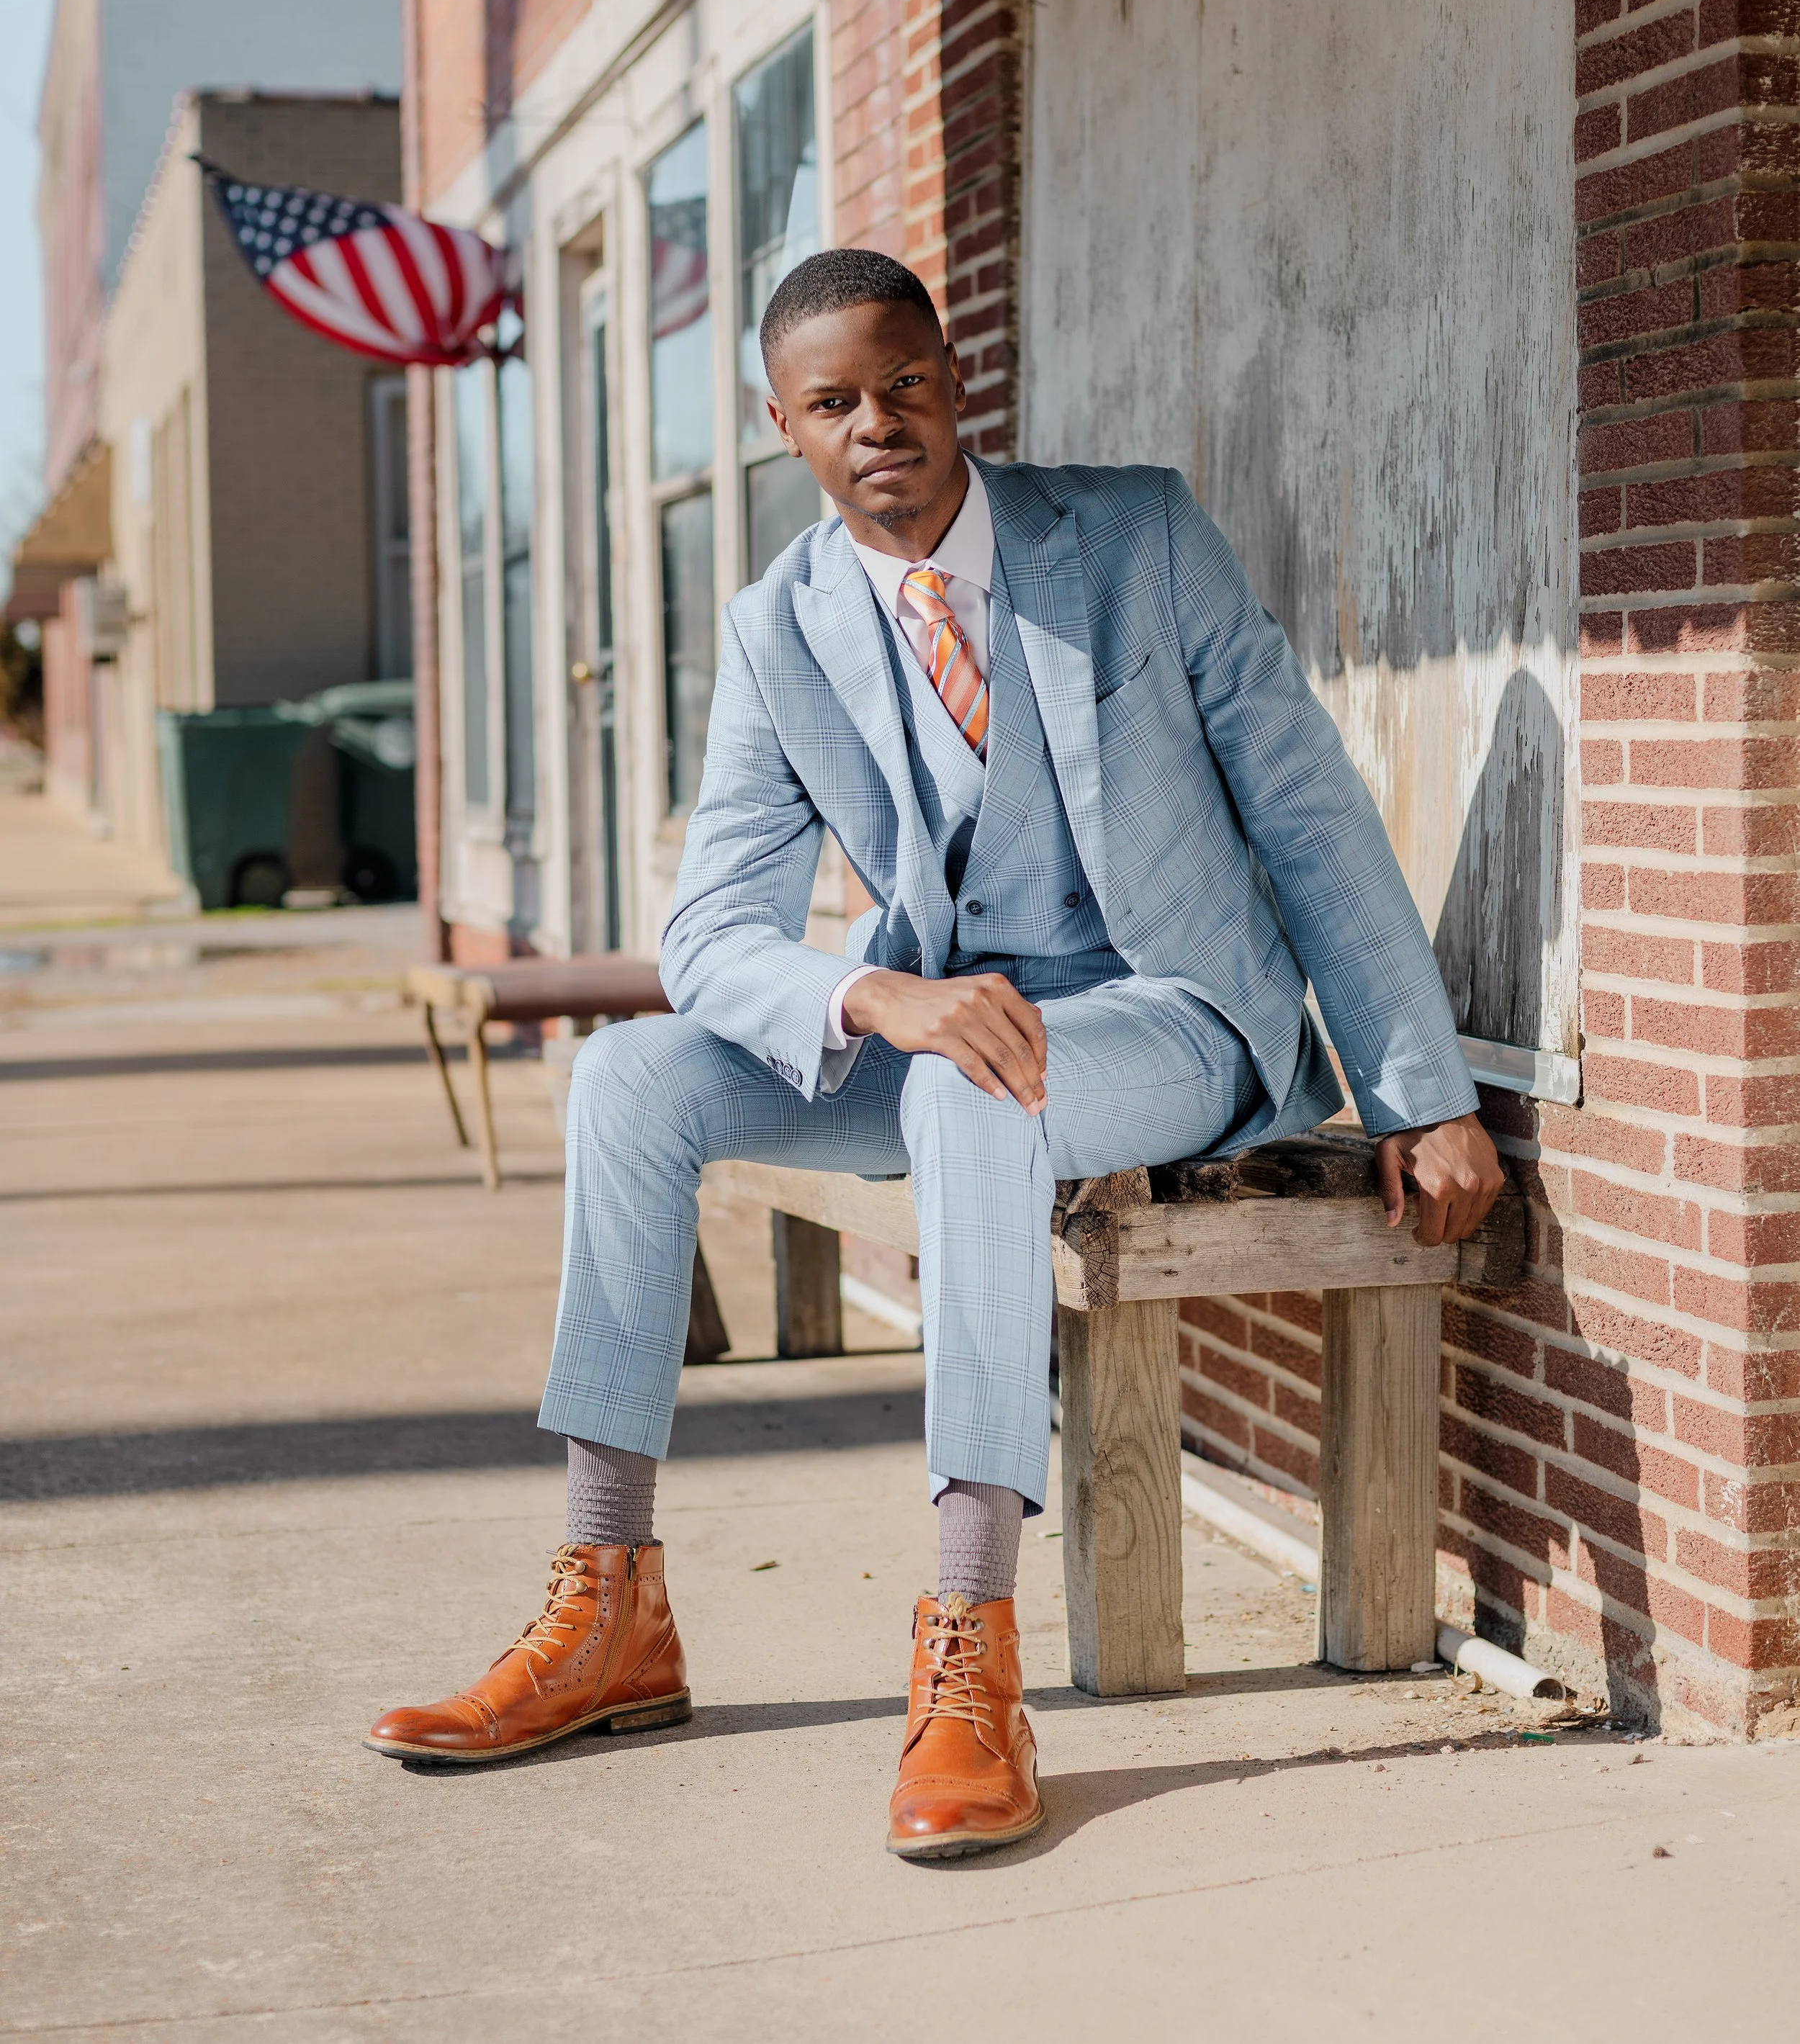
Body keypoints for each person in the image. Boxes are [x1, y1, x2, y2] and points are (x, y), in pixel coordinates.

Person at [366, 249, 1504, 1858]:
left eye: (902, 383)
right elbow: (708, 933)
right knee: (631, 1075)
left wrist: (1421, 1086)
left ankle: (971, 1645)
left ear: (954, 378)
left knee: (982, 1080)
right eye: (832, 402)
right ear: (784, 427)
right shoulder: (782, 627)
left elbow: (1302, 801)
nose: (875, 423)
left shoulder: (1133, 537)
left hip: (1166, 1015)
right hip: (937, 1027)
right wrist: (870, 998)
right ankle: (607, 1597)